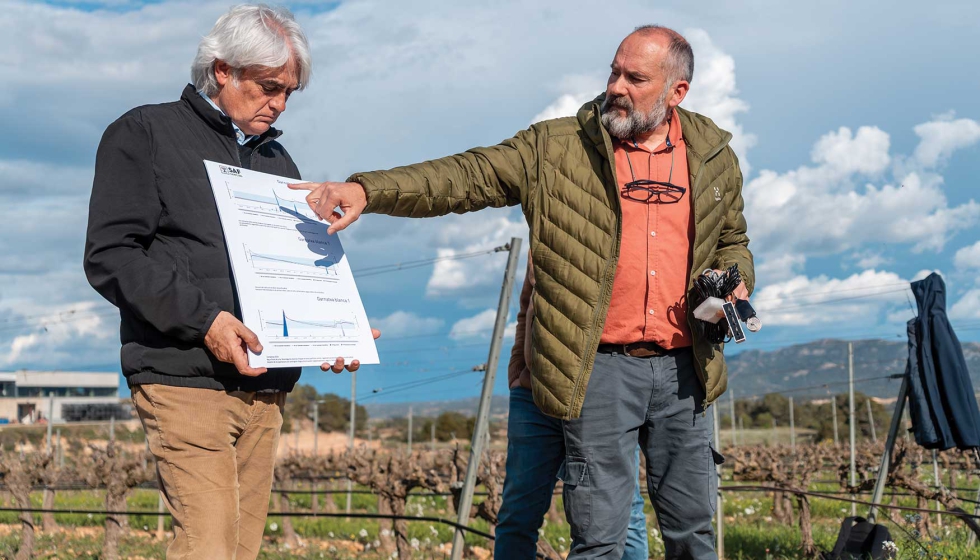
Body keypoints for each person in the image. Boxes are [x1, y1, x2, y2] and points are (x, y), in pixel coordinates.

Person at [294, 24, 753, 560]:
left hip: (687, 370)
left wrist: (737, 277)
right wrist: (369, 189)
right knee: (600, 539)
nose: (616, 86)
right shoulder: (555, 148)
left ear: (677, 92)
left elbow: (733, 241)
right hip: (599, 371)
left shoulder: (714, 155)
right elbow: (467, 175)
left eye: (635, 78)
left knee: (694, 534)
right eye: (613, 71)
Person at [84, 5, 376, 559]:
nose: (280, 103)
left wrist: (334, 334)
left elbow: (289, 272)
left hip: (264, 389)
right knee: (208, 546)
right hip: (183, 377)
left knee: (240, 550)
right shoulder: (144, 133)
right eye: (270, 87)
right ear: (222, 70)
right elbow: (111, 255)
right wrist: (206, 321)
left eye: (290, 92)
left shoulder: (277, 162)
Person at [495, 259, 649, 559]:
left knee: (625, 514)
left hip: (603, 394)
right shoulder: (546, 226)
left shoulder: (627, 232)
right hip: (534, 396)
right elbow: (528, 307)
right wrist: (518, 370)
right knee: (517, 514)